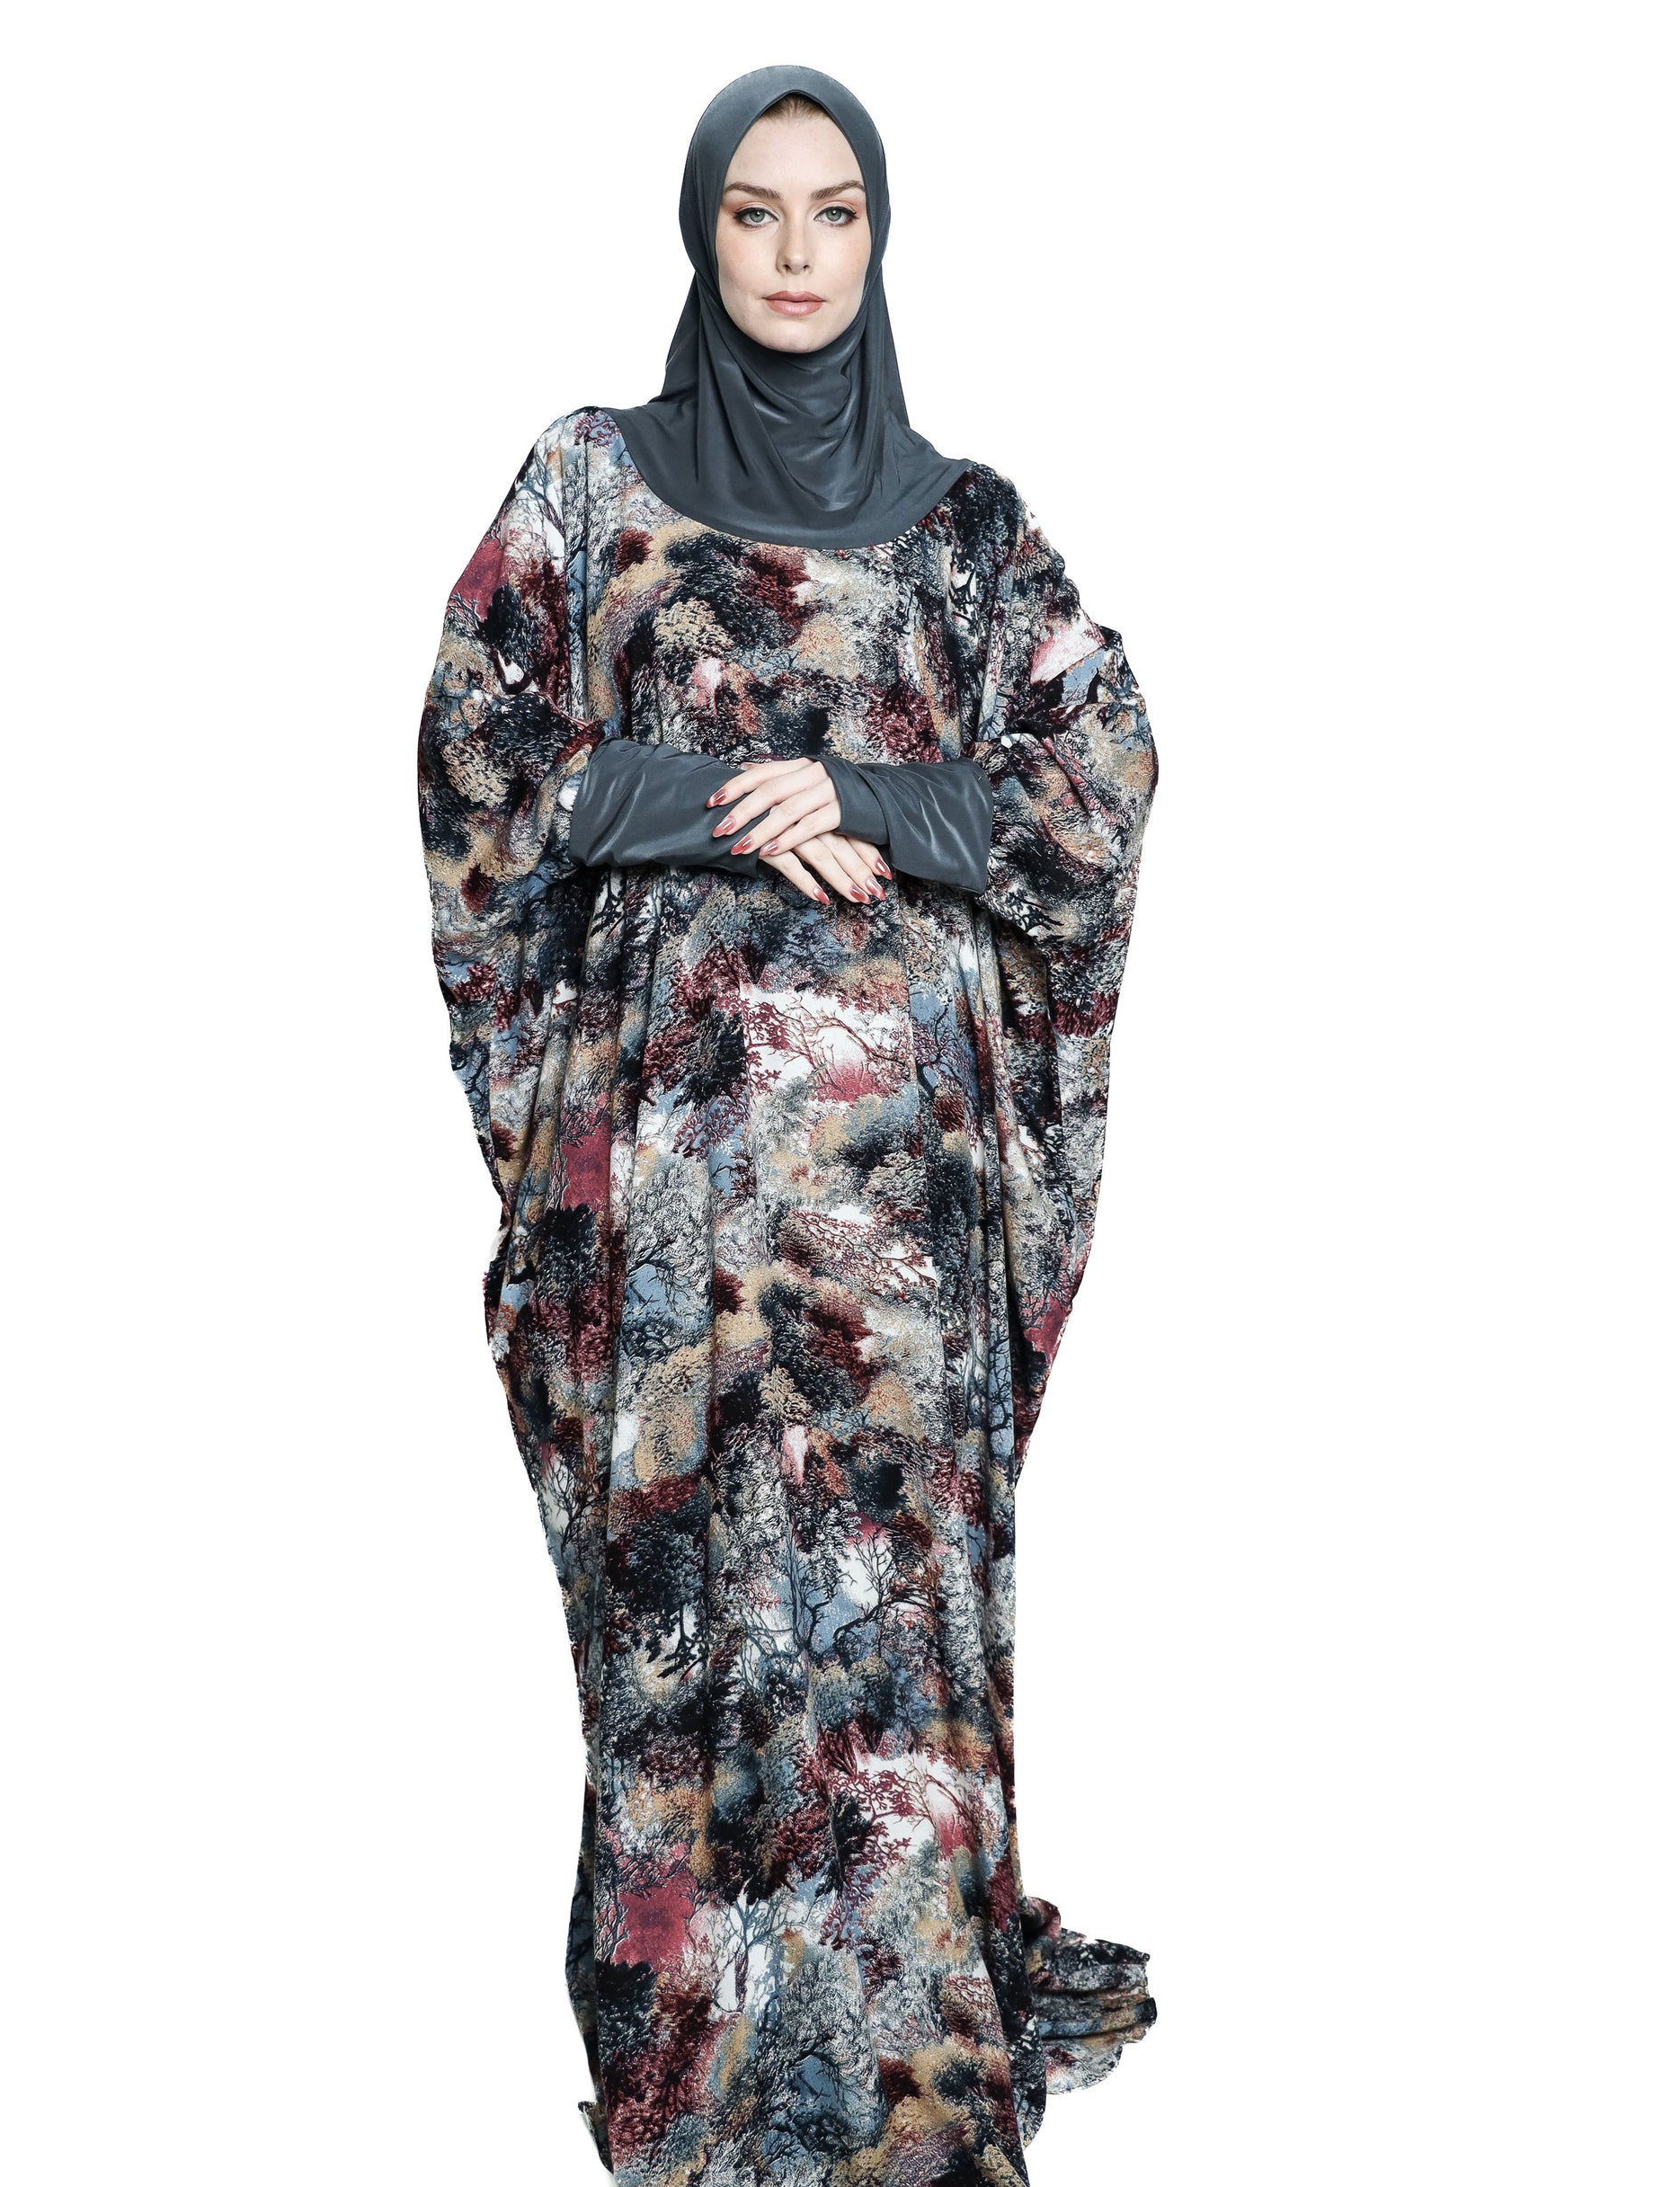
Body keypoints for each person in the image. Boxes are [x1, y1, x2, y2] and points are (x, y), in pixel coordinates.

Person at [417, 63, 1159, 2187]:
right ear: (702, 232)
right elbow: (477, 752)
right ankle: (708, 2063)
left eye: (836, 212)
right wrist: (704, 801)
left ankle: (913, 2078)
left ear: (878, 236)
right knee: (706, 1593)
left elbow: (1102, 774)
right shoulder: (590, 485)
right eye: (757, 212)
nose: (798, 253)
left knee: (884, 1606)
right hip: (675, 1206)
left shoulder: (964, 529)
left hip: (900, 1213)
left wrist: (877, 802)